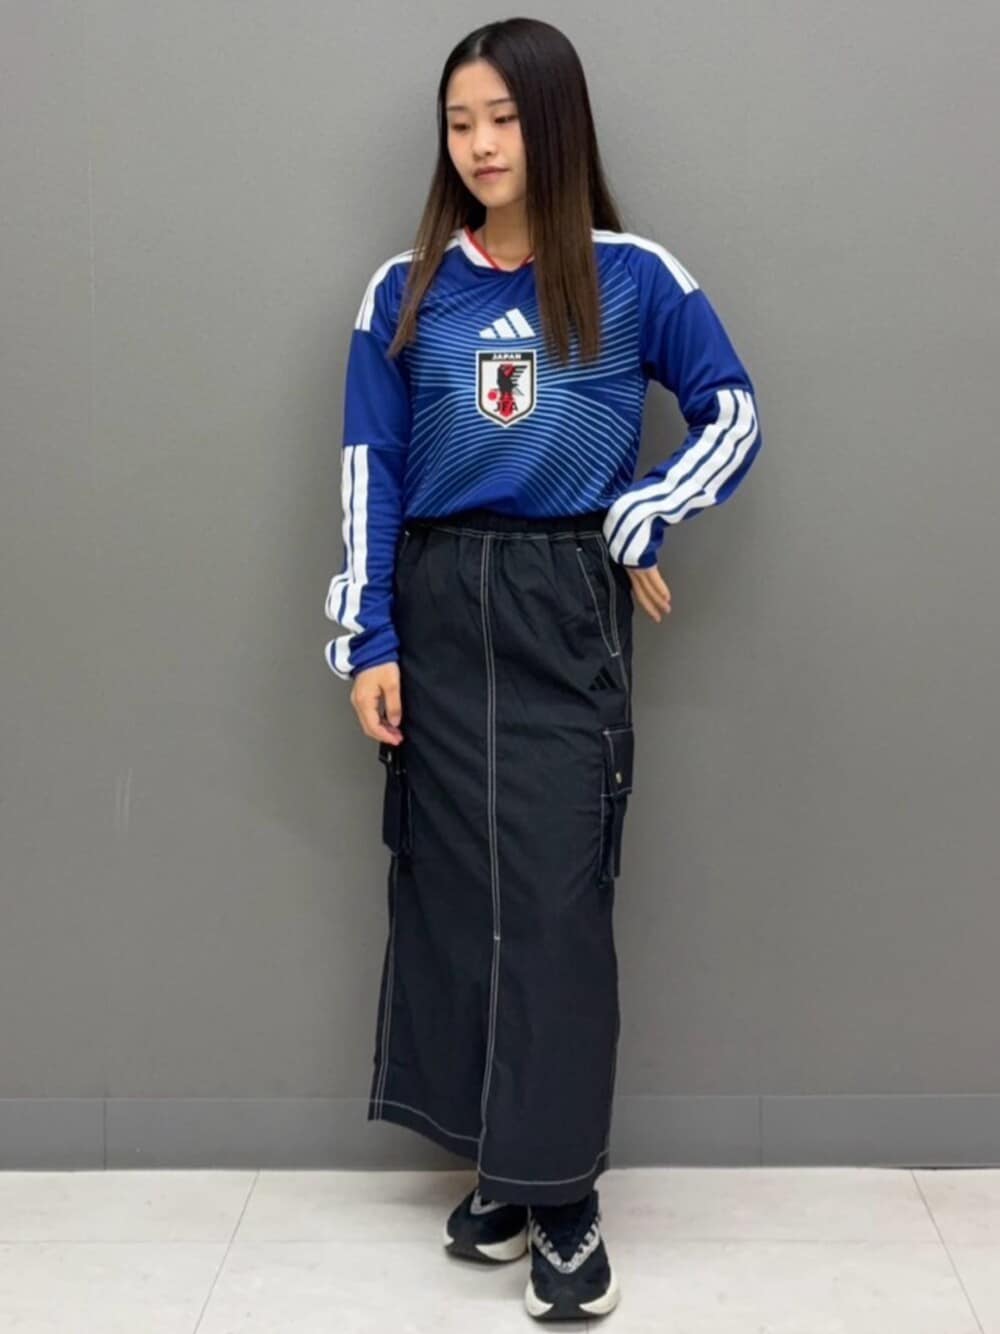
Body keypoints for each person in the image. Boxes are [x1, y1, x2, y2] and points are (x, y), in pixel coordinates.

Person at [324, 16, 762, 1322]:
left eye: (504, 118)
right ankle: (506, 1171)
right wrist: (367, 637)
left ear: (554, 122)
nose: (480, 143)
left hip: (564, 606)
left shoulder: (632, 277)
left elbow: (734, 410)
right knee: (459, 893)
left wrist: (644, 509)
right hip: (436, 605)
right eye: (460, 122)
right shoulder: (404, 291)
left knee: (560, 902)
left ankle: (564, 1199)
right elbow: (369, 470)